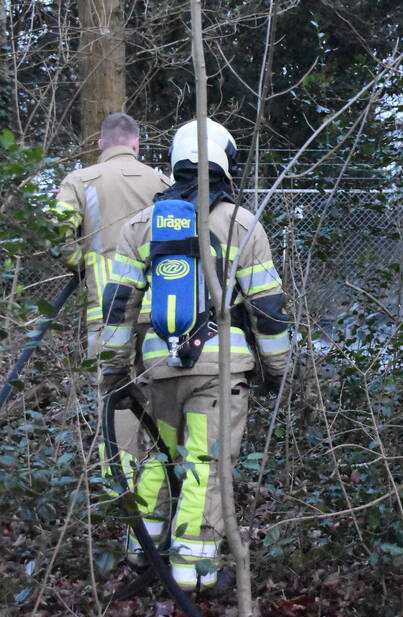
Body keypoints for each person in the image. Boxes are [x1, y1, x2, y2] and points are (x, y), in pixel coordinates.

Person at [98, 118, 290, 592]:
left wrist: (115, 374)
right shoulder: (242, 225)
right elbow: (268, 311)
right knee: (205, 465)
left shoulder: (141, 226)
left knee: (159, 461)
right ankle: (193, 576)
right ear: (226, 160)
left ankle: (142, 558)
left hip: (158, 372)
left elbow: (117, 307)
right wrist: (278, 371)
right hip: (220, 375)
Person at [51, 113, 170, 560]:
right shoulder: (161, 180)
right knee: (160, 402)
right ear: (137, 144)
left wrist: (79, 260)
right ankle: (163, 492)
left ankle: (123, 501)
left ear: (101, 143)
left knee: (116, 401)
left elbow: (56, 231)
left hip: (107, 314)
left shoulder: (79, 179)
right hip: (160, 317)